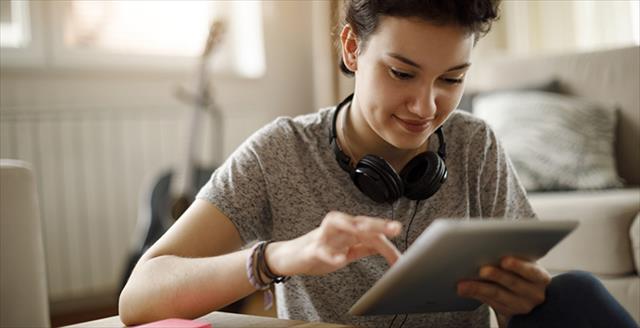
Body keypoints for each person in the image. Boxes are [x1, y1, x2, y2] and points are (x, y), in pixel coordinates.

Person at [119, 1, 638, 327]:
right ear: (351, 47)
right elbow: (139, 298)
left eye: (452, 79)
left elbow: (520, 296)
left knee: (574, 291)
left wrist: (524, 294)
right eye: (401, 73)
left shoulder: (474, 144)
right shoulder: (279, 152)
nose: (426, 107)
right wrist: (274, 258)